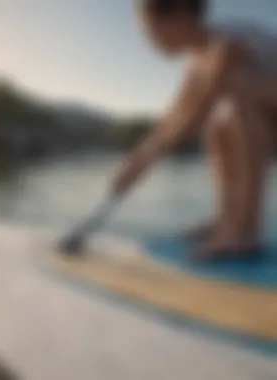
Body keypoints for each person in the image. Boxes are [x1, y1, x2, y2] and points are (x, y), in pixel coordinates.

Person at [111, 0, 277, 261]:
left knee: (239, 99)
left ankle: (245, 231)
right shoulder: (198, 65)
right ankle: (227, 219)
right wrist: (136, 161)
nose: (150, 40)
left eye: (152, 30)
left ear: (183, 16)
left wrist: (145, 162)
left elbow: (194, 118)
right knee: (219, 125)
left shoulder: (228, 44)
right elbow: (174, 117)